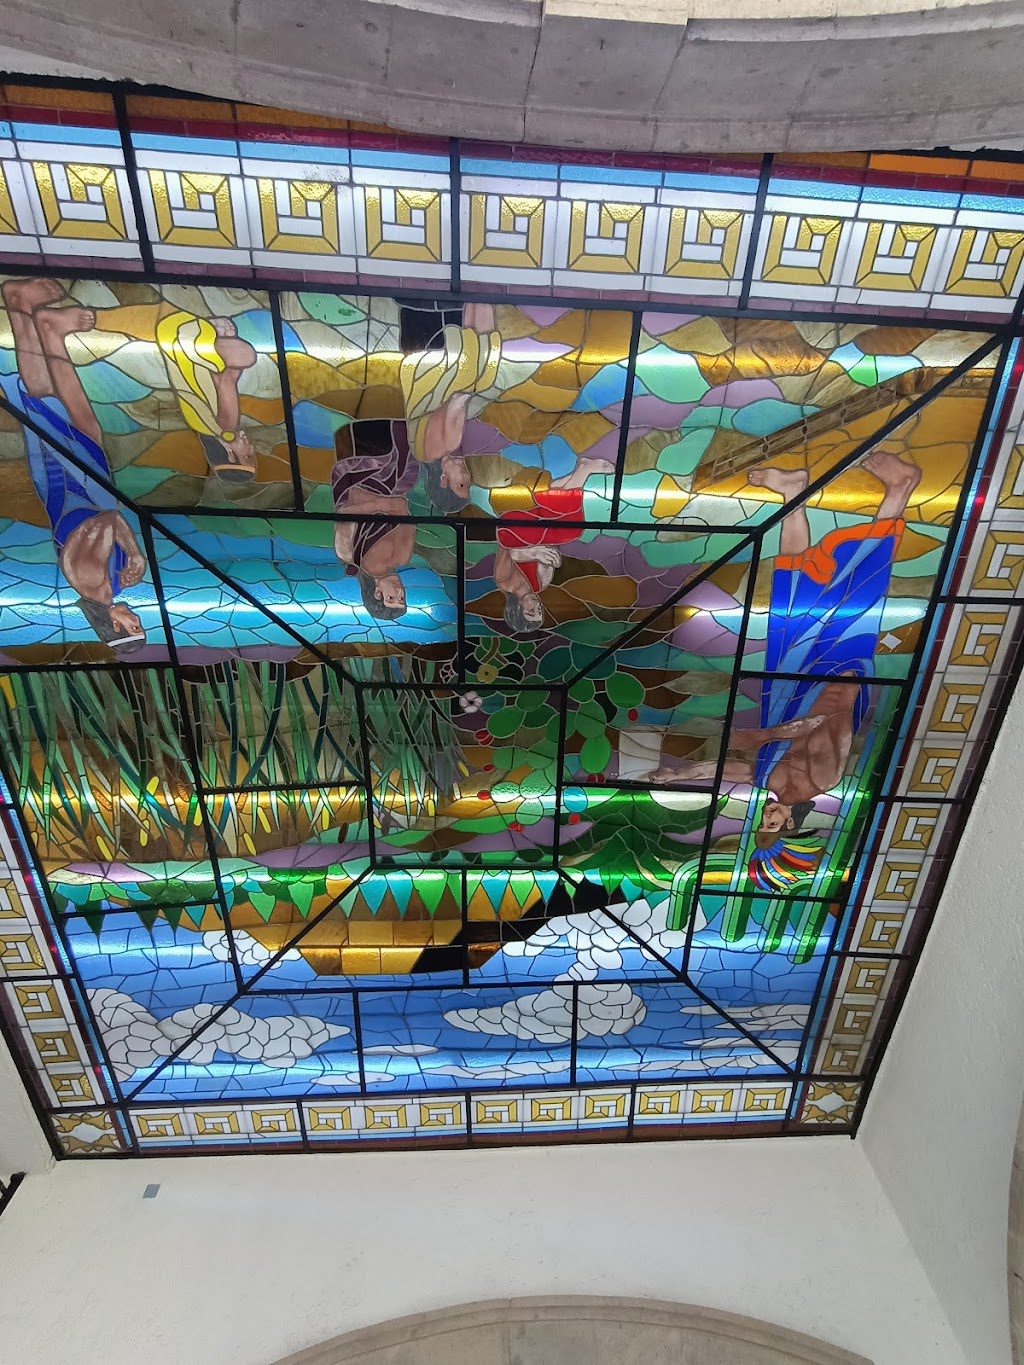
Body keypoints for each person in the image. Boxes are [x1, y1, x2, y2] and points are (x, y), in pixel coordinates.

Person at [651, 449, 921, 892]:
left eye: (764, 821)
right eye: (773, 823)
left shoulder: (771, 780)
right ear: (792, 823)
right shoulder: (825, 778)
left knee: (790, 595)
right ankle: (900, 490)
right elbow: (821, 721)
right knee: (858, 589)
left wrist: (677, 775)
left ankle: (793, 494)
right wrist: (763, 736)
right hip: (838, 669)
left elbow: (720, 771)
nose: (767, 815)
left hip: (791, 676)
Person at [2, 278, 147, 651]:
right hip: (88, 491)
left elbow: (106, 521)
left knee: (40, 400)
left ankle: (19, 304)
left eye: (133, 626)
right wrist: (131, 553)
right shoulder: (111, 586)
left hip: (65, 486)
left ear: (114, 626)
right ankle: (52, 332)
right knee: (86, 426)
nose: (136, 618)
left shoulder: (88, 580)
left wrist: (135, 552)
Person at [493, 455, 615, 633]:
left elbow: (507, 550)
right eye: (539, 611)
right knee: (571, 529)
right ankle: (574, 477)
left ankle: (582, 472)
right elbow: (550, 553)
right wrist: (552, 560)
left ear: (517, 609)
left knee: (560, 527)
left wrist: (533, 553)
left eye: (531, 611)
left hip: (512, 530)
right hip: (536, 529)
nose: (537, 606)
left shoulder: (504, 582)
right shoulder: (540, 584)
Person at [400, 302, 501, 512]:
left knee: (483, 372)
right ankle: (477, 297)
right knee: (482, 372)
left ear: (443, 480)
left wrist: (480, 393)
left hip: (434, 350)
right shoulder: (422, 453)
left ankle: (482, 295)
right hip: (420, 356)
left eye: (461, 484)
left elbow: (458, 399)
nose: (467, 476)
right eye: (468, 483)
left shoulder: (446, 444)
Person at [331, 419, 418, 621]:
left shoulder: (348, 553)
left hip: (355, 478)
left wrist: (377, 505)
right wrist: (380, 506)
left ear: (377, 593)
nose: (399, 591)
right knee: (405, 466)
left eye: (392, 597)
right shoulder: (402, 556)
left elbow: (344, 514)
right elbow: (401, 506)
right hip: (389, 484)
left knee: (390, 461)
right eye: (402, 598)